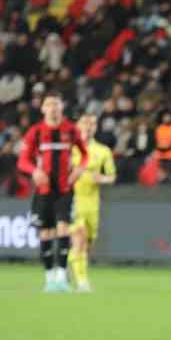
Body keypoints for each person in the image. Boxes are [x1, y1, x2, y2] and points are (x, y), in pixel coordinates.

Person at [17, 94, 87, 293]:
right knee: (46, 232)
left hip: (65, 189)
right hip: (44, 190)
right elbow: (22, 160)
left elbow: (85, 154)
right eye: (49, 105)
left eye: (56, 104)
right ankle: (49, 279)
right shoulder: (36, 132)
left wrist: (80, 169)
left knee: (64, 229)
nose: (53, 108)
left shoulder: (71, 130)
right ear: (43, 109)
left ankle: (61, 276)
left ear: (62, 108)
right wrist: (35, 171)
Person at [68, 113, 117, 292]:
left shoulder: (103, 151)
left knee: (87, 245)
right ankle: (82, 283)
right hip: (74, 200)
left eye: (92, 124)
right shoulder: (70, 148)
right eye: (84, 123)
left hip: (93, 203)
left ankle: (65, 265)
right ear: (78, 126)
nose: (88, 127)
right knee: (79, 240)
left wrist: (101, 179)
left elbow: (112, 177)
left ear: (95, 128)